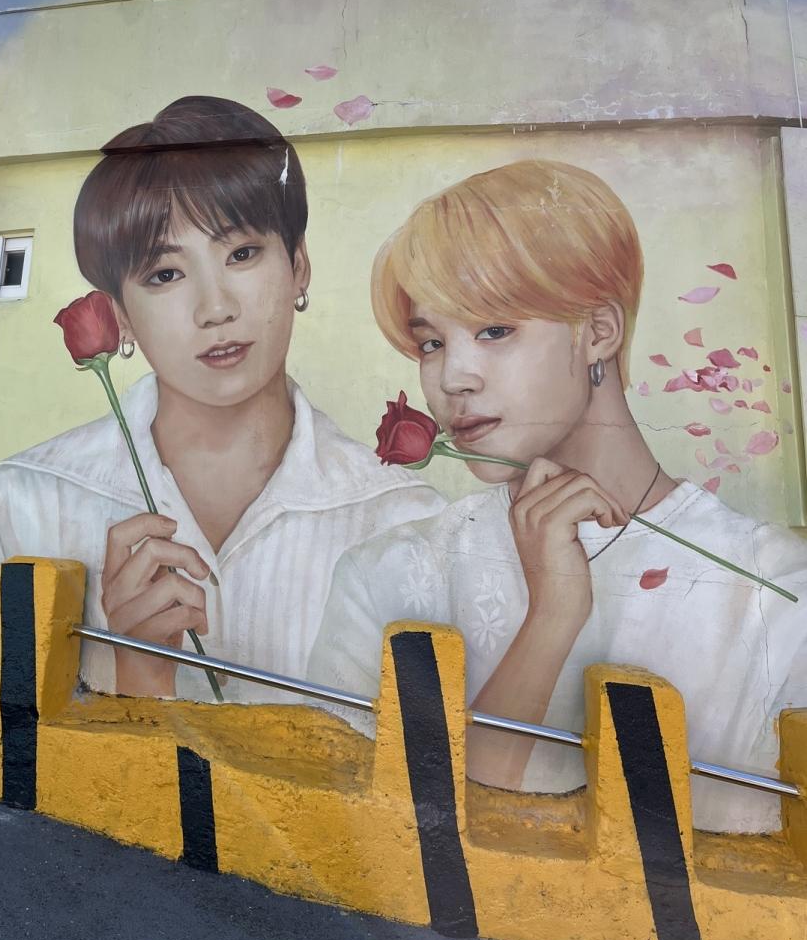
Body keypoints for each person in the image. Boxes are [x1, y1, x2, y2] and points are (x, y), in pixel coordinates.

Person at [309, 158, 807, 832]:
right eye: (430, 343)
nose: (453, 377)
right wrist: (550, 619)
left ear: (598, 331)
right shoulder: (387, 575)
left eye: (493, 330)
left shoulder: (775, 591)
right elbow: (357, 840)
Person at [0, 96, 442, 702]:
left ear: (298, 266)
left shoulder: (406, 520)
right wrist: (137, 675)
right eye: (165, 274)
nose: (216, 308)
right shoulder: (20, 508)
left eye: (241, 254)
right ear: (121, 316)